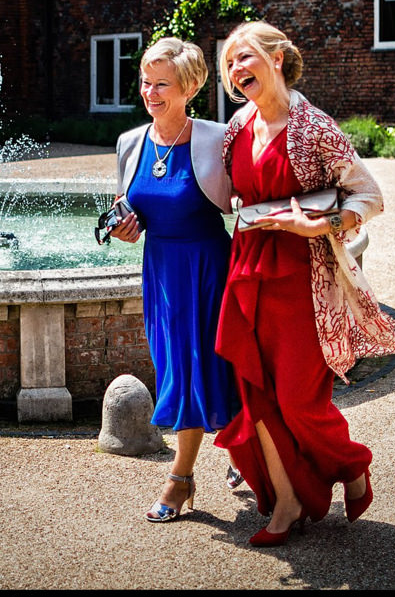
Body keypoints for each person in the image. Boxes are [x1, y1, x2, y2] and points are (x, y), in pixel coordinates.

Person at [212, 21, 395, 547]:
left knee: (299, 401)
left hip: (304, 281)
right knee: (255, 397)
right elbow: (231, 195)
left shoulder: (315, 126)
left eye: (245, 57)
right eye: (229, 63)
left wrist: (321, 225)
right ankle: (285, 502)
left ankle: (352, 462)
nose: (236, 70)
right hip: (248, 273)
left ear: (277, 59)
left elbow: (369, 195)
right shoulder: (236, 128)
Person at [110, 37, 239, 522]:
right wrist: (125, 230)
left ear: (189, 88)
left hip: (210, 269)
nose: (151, 91)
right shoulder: (130, 143)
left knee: (203, 367)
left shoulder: (216, 137)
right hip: (160, 271)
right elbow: (131, 211)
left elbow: (247, 201)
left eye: (162, 83)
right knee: (174, 367)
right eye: (146, 81)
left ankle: (179, 478)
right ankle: (236, 449)